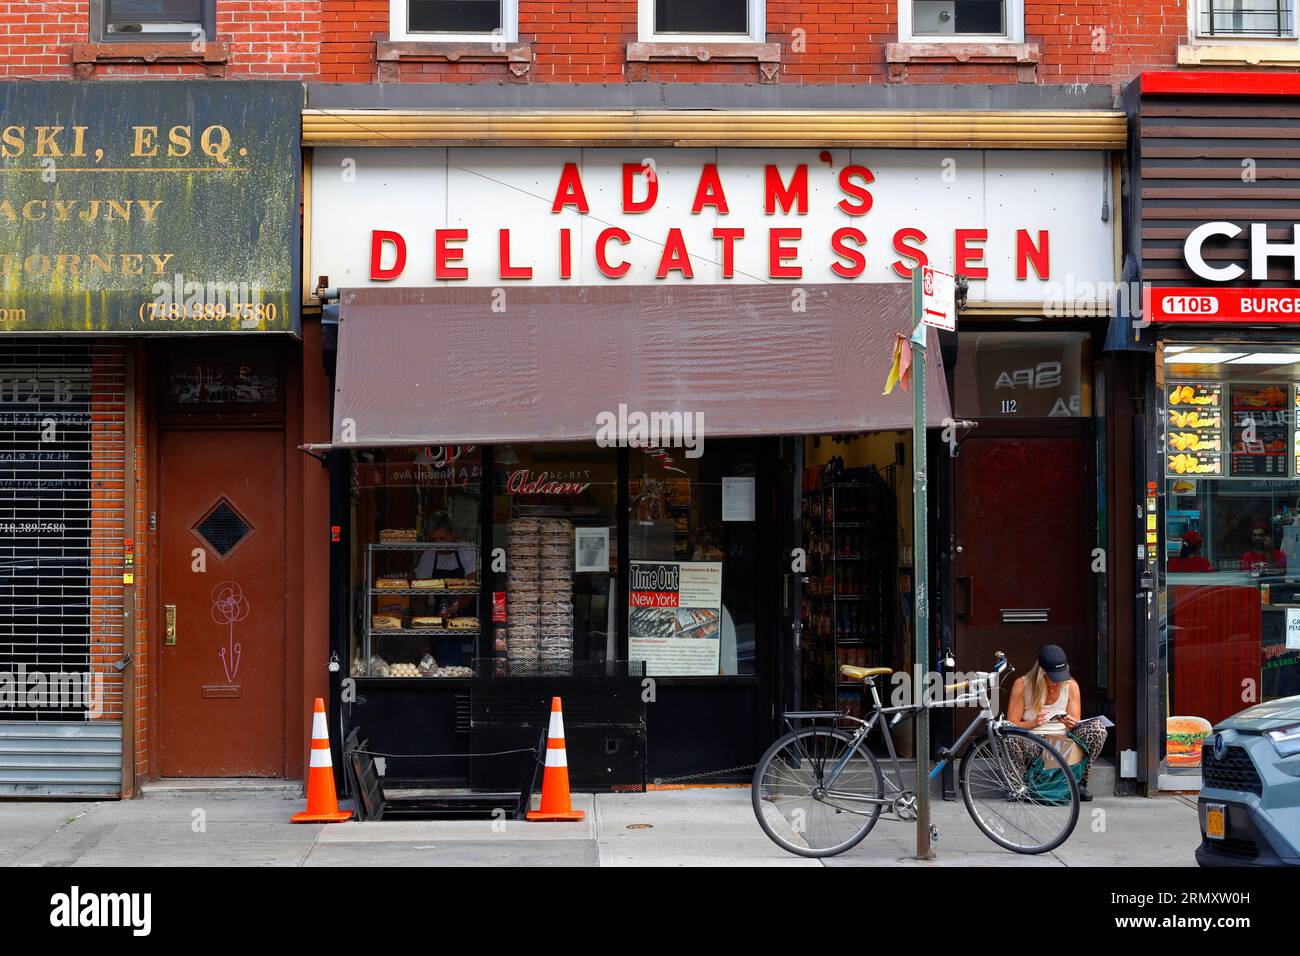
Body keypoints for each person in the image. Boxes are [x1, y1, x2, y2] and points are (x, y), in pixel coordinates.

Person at [1004, 644, 1108, 802]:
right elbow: (1011, 724)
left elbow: (1076, 723)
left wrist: (1072, 724)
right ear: (1041, 672)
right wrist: (1033, 723)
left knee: (1098, 729)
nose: (1058, 681)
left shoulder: (1071, 685)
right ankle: (1019, 786)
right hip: (1034, 744)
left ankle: (1078, 782)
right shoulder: (1022, 685)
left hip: (1063, 745)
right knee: (1006, 731)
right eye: (1053, 676)